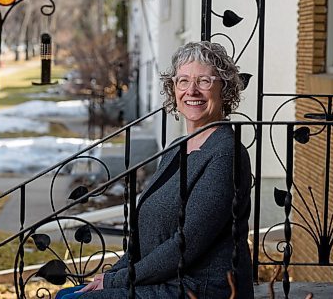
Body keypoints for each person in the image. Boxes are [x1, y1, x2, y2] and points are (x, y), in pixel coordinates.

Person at [56, 41, 254, 298]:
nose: (191, 90)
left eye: (204, 81)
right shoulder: (177, 148)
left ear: (224, 89)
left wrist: (118, 282)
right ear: (173, 89)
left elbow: (186, 244)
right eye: (183, 81)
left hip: (202, 288)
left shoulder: (226, 154)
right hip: (169, 278)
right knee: (67, 296)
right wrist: (111, 276)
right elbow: (141, 244)